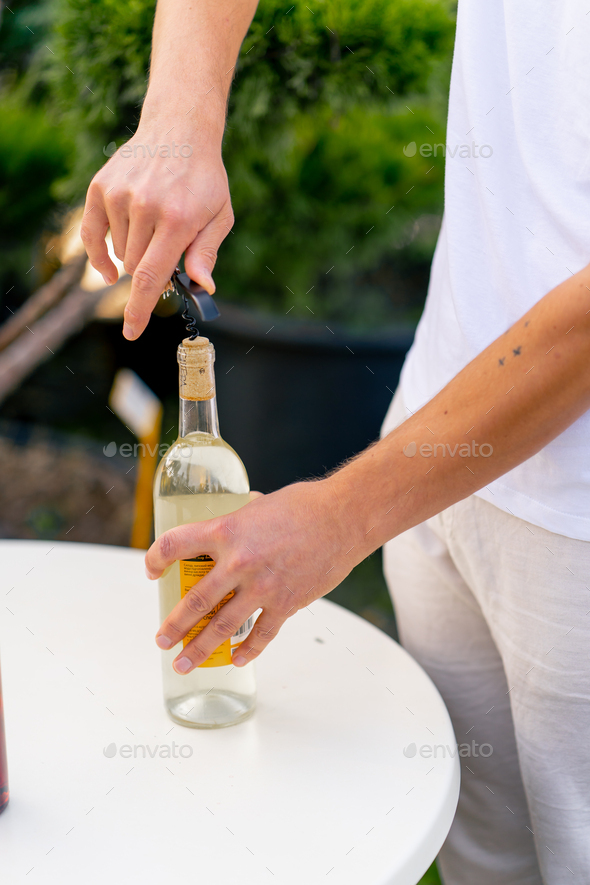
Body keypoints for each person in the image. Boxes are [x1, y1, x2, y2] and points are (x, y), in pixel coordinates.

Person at [81, 2, 590, 882]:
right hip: (441, 437)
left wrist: (343, 516)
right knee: (480, 856)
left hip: (575, 530)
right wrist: (178, 118)